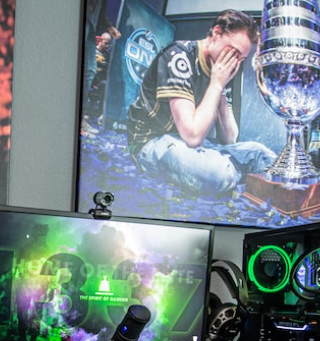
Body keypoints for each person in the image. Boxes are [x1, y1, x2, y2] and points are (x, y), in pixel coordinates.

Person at [126, 9, 276, 195]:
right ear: (216, 33)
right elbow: (192, 135)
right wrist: (216, 84)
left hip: (191, 146)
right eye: (233, 52)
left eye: (241, 58)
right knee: (215, 175)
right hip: (152, 143)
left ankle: (227, 172)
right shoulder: (179, 55)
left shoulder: (220, 69)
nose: (234, 62)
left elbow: (230, 139)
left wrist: (220, 88)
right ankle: (230, 174)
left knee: (261, 155)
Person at [82, 0, 121, 136]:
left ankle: (80, 117)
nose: (107, 46)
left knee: (89, 71)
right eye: (105, 43)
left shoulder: (107, 55)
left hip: (91, 25)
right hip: (83, 19)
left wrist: (109, 27)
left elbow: (101, 11)